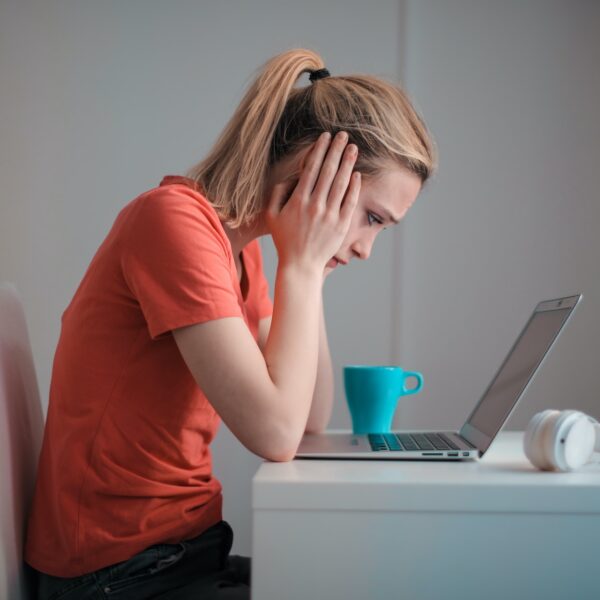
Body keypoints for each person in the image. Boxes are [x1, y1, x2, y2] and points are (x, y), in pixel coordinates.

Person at [24, 47, 436, 599]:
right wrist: (305, 267)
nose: (367, 248)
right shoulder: (173, 223)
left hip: (184, 551)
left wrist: (309, 266)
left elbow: (309, 415)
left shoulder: (241, 253)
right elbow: (276, 435)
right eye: (372, 218)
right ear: (319, 173)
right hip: (116, 574)